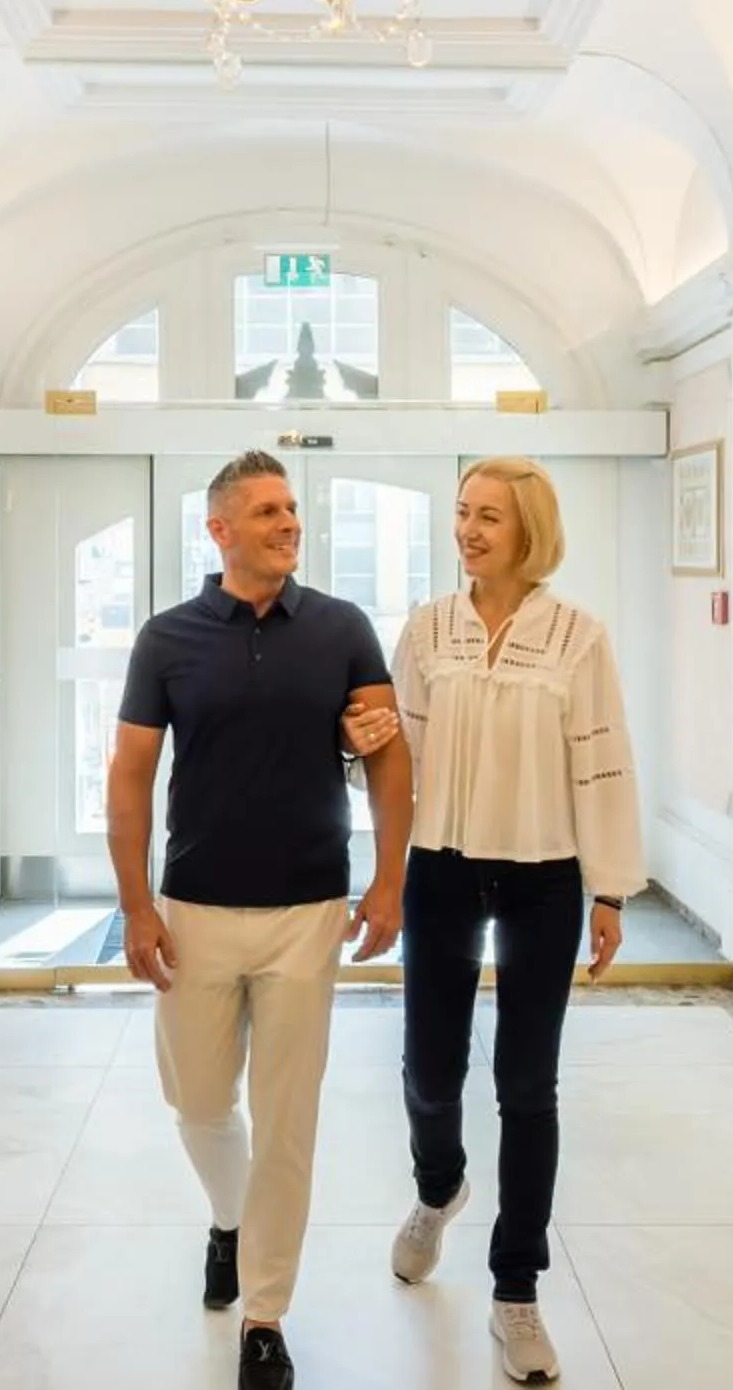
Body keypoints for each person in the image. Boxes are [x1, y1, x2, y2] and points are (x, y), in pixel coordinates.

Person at [111, 449, 414, 1390]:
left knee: (287, 1120)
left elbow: (388, 755)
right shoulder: (168, 639)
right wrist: (134, 905)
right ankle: (231, 1222)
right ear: (221, 530)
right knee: (199, 1103)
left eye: (294, 510)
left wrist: (389, 879)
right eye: (270, 511)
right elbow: (128, 778)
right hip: (194, 905)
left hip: (307, 906)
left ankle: (265, 1315)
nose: (290, 524)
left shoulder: (342, 628)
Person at [341, 457, 644, 1386]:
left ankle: (517, 1290)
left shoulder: (576, 637)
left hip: (544, 878)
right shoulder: (427, 629)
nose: (469, 531)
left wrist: (609, 890)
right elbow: (397, 764)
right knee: (430, 1070)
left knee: (527, 1082)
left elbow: (601, 764)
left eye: (489, 518)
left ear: (529, 531)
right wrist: (365, 772)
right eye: (463, 514)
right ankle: (438, 1190)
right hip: (440, 869)